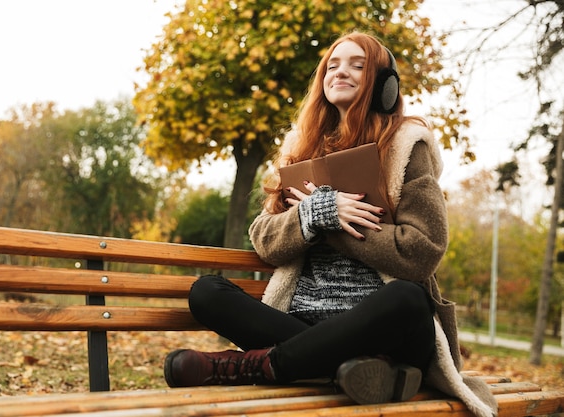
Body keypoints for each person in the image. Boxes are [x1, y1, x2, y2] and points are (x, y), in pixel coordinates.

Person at [163, 31, 497, 417]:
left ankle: (255, 366)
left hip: (390, 329)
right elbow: (264, 238)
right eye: (333, 65)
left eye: (358, 65)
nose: (342, 72)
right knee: (207, 292)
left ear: (384, 85)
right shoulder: (299, 146)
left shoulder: (407, 145)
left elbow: (422, 252)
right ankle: (347, 369)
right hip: (301, 320)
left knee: (408, 298)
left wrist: (336, 224)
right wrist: (312, 215)